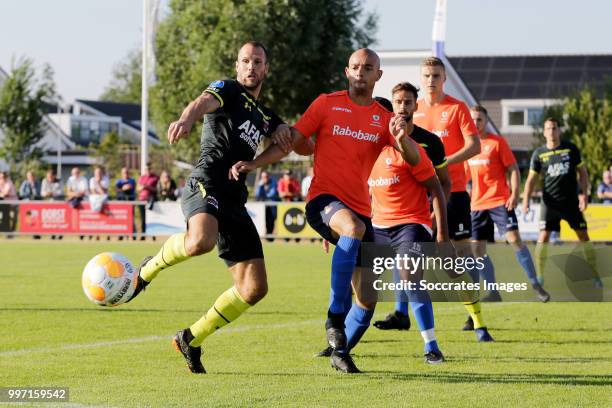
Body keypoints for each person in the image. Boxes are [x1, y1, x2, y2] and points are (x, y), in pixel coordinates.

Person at [231, 48, 421, 373]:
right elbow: (292, 140)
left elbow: (415, 159)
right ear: (347, 72)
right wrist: (254, 163)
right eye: (356, 67)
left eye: (369, 67)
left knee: (368, 299)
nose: (362, 72)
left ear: (378, 75)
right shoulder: (326, 104)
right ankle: (334, 320)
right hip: (323, 200)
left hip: (361, 211)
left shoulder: (382, 118)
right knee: (353, 230)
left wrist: (402, 139)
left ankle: (340, 350)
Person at [126, 41, 288, 374]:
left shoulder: (265, 116)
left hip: (235, 198)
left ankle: (191, 338)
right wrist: (186, 119)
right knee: (200, 240)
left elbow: (284, 147)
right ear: (237, 65)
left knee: (254, 288)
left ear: (266, 68)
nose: (251, 66)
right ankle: (149, 267)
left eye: (258, 61)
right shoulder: (227, 89)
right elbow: (203, 102)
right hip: (207, 181)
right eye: (245, 61)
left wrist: (258, 159)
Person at [413, 57, 493, 341]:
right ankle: (401, 312)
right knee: (407, 255)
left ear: (444, 79)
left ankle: (477, 320)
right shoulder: (414, 109)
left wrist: (442, 162)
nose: (431, 79)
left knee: (456, 259)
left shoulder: (457, 108)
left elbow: (475, 145)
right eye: (426, 75)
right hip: (418, 195)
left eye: (436, 75)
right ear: (421, 78)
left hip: (454, 192)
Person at [372, 87, 451, 331]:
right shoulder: (378, 144)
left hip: (428, 214)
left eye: (408, 102)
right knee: (398, 268)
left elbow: (443, 183)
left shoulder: (431, 142)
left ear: (416, 106)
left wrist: (435, 220)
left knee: (454, 270)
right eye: (399, 102)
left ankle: (478, 321)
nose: (403, 107)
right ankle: (399, 313)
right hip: (391, 221)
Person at [467, 106, 550, 302]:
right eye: (473, 119)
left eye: (479, 119)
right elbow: (463, 176)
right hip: (477, 205)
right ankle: (493, 291)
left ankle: (535, 284)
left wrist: (514, 194)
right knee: (477, 250)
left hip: (499, 201)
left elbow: (513, 169)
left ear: (486, 121)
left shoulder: (497, 143)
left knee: (514, 239)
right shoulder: (468, 146)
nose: (476, 123)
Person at [522, 117, 601, 289]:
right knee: (543, 237)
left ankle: (595, 275)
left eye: (554, 128)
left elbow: (583, 173)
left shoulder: (571, 149)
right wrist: (526, 201)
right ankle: (540, 278)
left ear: (559, 130)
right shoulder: (539, 154)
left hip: (571, 202)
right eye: (548, 128)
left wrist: (584, 194)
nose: (551, 131)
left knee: (583, 236)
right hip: (549, 203)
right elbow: (530, 180)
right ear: (544, 132)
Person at [255, 170, 279, 239]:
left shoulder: (273, 182)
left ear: (269, 176)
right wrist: (260, 186)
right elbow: (257, 195)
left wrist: (264, 197)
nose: (265, 178)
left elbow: (273, 194)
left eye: (266, 176)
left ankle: (270, 236)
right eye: (263, 177)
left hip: (272, 207)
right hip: (263, 207)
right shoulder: (261, 184)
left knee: (271, 221)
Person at [136, 164, 159, 237]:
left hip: (151, 201)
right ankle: (143, 235)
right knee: (143, 218)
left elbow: (157, 190)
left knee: (152, 218)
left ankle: (153, 236)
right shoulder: (141, 178)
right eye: (147, 169)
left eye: (150, 169)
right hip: (142, 200)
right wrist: (142, 187)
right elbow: (138, 189)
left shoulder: (155, 178)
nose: (148, 170)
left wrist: (148, 187)